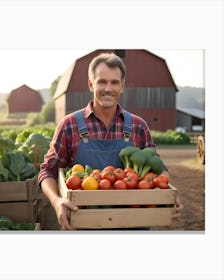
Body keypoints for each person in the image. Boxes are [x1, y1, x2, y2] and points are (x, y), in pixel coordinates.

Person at [38, 52, 183, 230]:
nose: (108, 88)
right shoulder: (69, 125)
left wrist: (169, 195)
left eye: (114, 82)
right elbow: (48, 171)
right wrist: (56, 201)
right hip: (83, 225)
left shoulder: (138, 126)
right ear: (91, 84)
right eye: (102, 81)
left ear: (122, 86)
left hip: (133, 226)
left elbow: (158, 168)